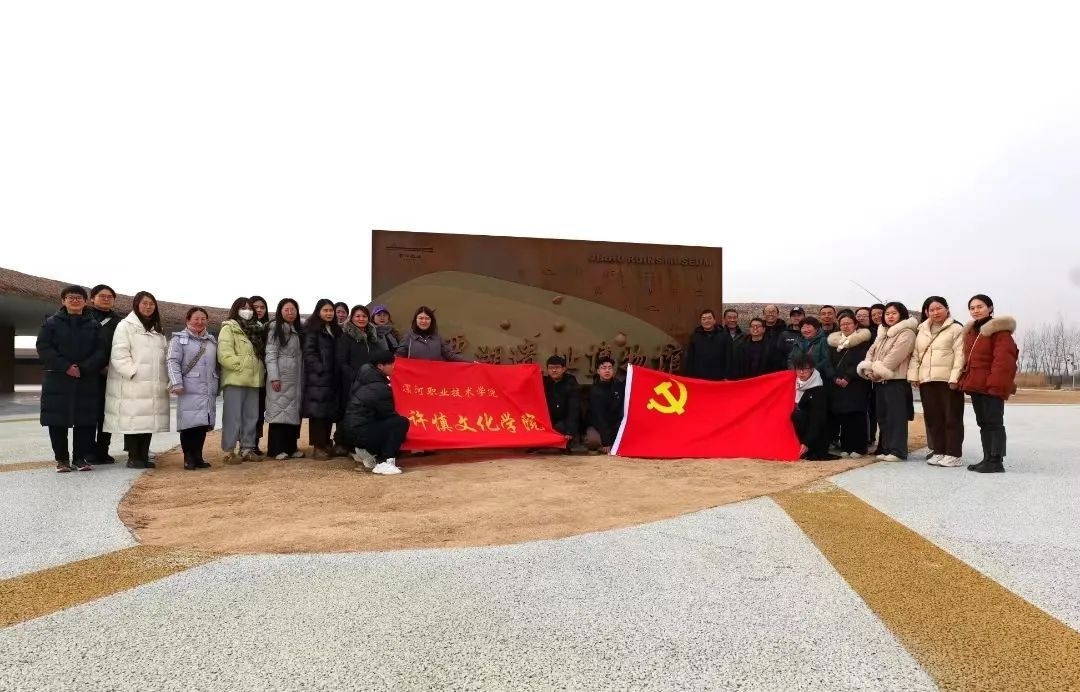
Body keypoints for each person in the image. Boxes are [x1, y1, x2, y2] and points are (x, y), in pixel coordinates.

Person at [36, 285, 108, 472]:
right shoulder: (51, 323)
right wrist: (66, 366)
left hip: (86, 378)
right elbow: (44, 347)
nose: (75, 300)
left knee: (85, 420)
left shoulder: (94, 325)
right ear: (63, 301)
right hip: (58, 379)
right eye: (71, 297)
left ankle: (80, 459)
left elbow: (101, 351)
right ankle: (62, 460)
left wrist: (83, 368)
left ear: (85, 301)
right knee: (57, 420)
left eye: (79, 298)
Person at [104, 291, 170, 469]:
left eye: (151, 304)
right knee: (133, 421)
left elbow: (165, 355)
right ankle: (133, 457)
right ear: (136, 305)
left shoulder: (158, 329)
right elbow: (119, 353)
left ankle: (143, 455)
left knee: (148, 421)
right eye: (144, 303)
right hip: (133, 382)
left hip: (154, 382)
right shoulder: (125, 326)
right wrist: (132, 372)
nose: (148, 307)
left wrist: (167, 376)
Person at [957, 294, 1018, 473]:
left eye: (980, 306)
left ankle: (996, 461)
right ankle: (987, 458)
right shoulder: (973, 332)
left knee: (994, 422)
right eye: (972, 308)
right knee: (983, 422)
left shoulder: (999, 331)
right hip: (977, 384)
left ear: (990, 308)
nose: (976, 310)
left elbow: (1004, 360)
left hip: (991, 385)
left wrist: (995, 385)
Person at [908, 296, 966, 467]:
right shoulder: (922, 330)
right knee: (933, 418)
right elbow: (916, 355)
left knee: (952, 418)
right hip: (927, 380)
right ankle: (939, 451)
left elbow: (960, 355)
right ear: (926, 312)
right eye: (931, 310)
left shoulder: (956, 328)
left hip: (948, 381)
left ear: (947, 309)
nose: (935, 312)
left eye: (939, 308)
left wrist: (955, 378)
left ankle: (953, 454)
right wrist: (914, 376)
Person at [857, 302, 918, 462]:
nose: (890, 316)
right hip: (880, 381)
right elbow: (871, 352)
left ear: (902, 314)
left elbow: (895, 356)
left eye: (894, 313)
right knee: (883, 417)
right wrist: (868, 370)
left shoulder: (906, 333)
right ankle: (886, 448)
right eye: (887, 313)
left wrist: (877, 372)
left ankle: (898, 451)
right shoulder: (883, 333)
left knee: (896, 417)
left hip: (896, 381)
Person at [335, 305, 393, 454]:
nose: (361, 319)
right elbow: (342, 362)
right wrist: (355, 377)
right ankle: (341, 443)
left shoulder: (372, 337)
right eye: (358, 316)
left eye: (364, 316)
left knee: (365, 414)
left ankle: (359, 444)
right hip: (351, 382)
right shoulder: (346, 337)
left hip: (370, 382)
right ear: (352, 318)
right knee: (347, 412)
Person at [342, 350, 410, 475]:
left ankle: (367, 453)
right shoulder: (379, 387)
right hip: (361, 434)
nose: (394, 366)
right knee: (401, 423)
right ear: (380, 366)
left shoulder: (364, 378)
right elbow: (388, 415)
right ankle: (385, 462)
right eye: (391, 364)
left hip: (353, 433)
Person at [166, 307, 218, 470]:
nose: (199, 322)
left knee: (202, 424)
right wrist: (176, 383)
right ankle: (188, 458)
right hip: (188, 387)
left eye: (203, 319)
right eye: (196, 318)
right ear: (187, 320)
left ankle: (198, 456)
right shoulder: (178, 340)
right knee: (189, 424)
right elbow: (172, 361)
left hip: (207, 387)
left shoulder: (211, 341)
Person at [217, 297, 266, 463]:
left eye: (250, 308)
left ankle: (247, 448)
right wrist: (241, 366)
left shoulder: (257, 329)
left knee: (251, 416)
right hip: (235, 379)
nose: (248, 311)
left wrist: (258, 369)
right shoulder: (229, 328)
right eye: (244, 308)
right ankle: (229, 451)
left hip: (254, 379)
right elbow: (224, 354)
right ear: (236, 309)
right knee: (232, 417)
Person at [827, 313, 872, 458]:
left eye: (848, 323)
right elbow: (828, 362)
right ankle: (846, 446)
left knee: (856, 415)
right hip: (838, 384)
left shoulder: (863, 342)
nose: (845, 326)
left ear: (855, 325)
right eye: (842, 324)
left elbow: (861, 360)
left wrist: (848, 377)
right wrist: (834, 377)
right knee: (843, 415)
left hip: (856, 383)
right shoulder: (834, 343)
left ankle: (858, 447)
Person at [265, 298, 305, 460]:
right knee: (279, 412)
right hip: (281, 377)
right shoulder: (276, 329)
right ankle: (275, 449)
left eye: (293, 309)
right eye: (286, 310)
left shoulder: (297, 330)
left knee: (292, 412)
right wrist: (274, 377)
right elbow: (270, 354)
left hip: (295, 377)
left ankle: (291, 447)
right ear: (280, 312)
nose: (290, 313)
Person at [86, 284, 122, 463]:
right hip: (87, 374)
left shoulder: (120, 322)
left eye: (110, 297)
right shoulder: (84, 317)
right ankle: (88, 450)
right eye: (102, 296)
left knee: (106, 414)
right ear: (92, 298)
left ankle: (102, 450)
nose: (106, 299)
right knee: (88, 413)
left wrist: (111, 367)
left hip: (110, 374)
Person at [302, 299, 342, 460]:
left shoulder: (335, 330)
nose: (329, 313)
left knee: (328, 412)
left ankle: (326, 442)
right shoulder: (313, 330)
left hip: (333, 377)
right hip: (318, 379)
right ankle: (318, 447)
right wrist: (321, 369)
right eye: (325, 310)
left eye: (331, 310)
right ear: (318, 312)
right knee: (318, 413)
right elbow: (309, 353)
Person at [791, 356, 837, 461]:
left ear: (812, 369)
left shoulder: (819, 389)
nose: (801, 373)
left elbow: (818, 419)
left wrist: (807, 442)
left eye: (805, 369)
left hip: (816, 434)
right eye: (799, 369)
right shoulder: (793, 383)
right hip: (799, 431)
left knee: (798, 415)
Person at [396, 306, 470, 361]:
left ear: (431, 321)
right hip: (414, 376)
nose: (424, 321)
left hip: (434, 375)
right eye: (421, 318)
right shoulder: (408, 338)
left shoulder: (437, 338)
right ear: (416, 320)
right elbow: (398, 359)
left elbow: (450, 355)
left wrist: (471, 362)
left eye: (427, 318)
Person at [585, 356, 625, 453]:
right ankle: (606, 445)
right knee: (592, 441)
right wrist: (605, 440)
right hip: (598, 425)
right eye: (604, 368)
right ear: (598, 371)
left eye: (609, 368)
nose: (607, 370)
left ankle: (612, 444)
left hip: (615, 424)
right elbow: (599, 417)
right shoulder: (594, 390)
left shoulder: (619, 386)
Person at [682, 309, 731, 380]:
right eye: (704, 319)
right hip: (699, 377)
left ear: (714, 320)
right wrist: (689, 377)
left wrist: (727, 376)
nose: (707, 321)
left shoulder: (725, 336)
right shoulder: (695, 337)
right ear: (701, 321)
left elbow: (729, 357)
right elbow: (690, 358)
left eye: (709, 318)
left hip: (719, 377)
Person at [542, 355, 579, 450]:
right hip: (549, 421)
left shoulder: (571, 382)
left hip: (565, 421)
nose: (554, 370)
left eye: (557, 367)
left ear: (564, 369)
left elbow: (573, 409)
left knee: (559, 428)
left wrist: (570, 430)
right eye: (551, 368)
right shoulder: (544, 382)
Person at [249, 295, 271, 456]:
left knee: (259, 412)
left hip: (265, 375)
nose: (259, 310)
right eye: (255, 307)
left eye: (262, 307)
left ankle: (254, 443)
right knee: (248, 411)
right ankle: (246, 444)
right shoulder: (245, 327)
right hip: (249, 375)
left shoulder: (269, 327)